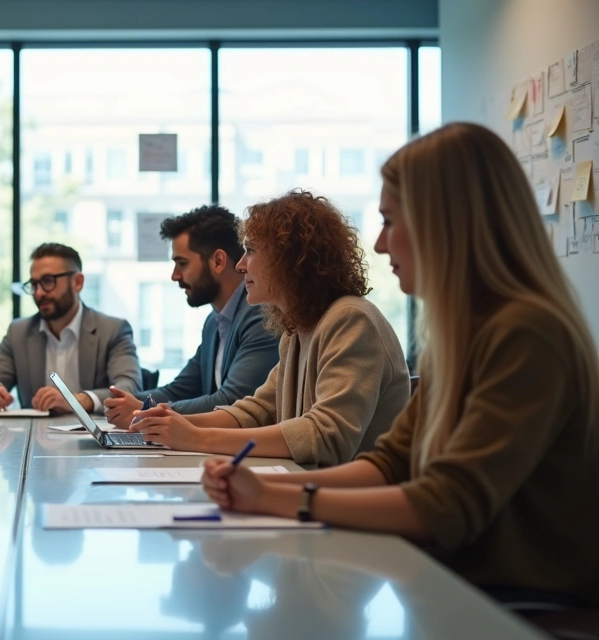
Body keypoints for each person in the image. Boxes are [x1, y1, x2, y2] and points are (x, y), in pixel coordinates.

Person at [203, 123, 599, 603]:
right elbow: (391, 464)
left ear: (445, 222)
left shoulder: (526, 332)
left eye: (390, 221)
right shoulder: (467, 331)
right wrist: (257, 489)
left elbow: (445, 505)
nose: (380, 244)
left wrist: (274, 497)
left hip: (519, 607)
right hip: (461, 591)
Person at [132, 190, 409, 466]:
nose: (240, 265)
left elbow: (324, 435)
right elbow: (257, 410)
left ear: (289, 258)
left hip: (348, 503)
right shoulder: (297, 329)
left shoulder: (350, 319)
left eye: (250, 250)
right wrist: (172, 425)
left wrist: (196, 438)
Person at [104, 205, 280, 429]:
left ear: (218, 261)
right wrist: (117, 403)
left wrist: (143, 410)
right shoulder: (214, 322)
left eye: (182, 263)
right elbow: (179, 389)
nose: (175, 275)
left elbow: (231, 402)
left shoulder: (261, 316)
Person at [0, 242, 141, 414]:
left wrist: (77, 400)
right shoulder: (19, 332)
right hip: (33, 437)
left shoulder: (112, 330)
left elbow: (130, 388)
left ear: (77, 282)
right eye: (34, 284)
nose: (39, 293)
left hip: (92, 437)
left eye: (48, 281)